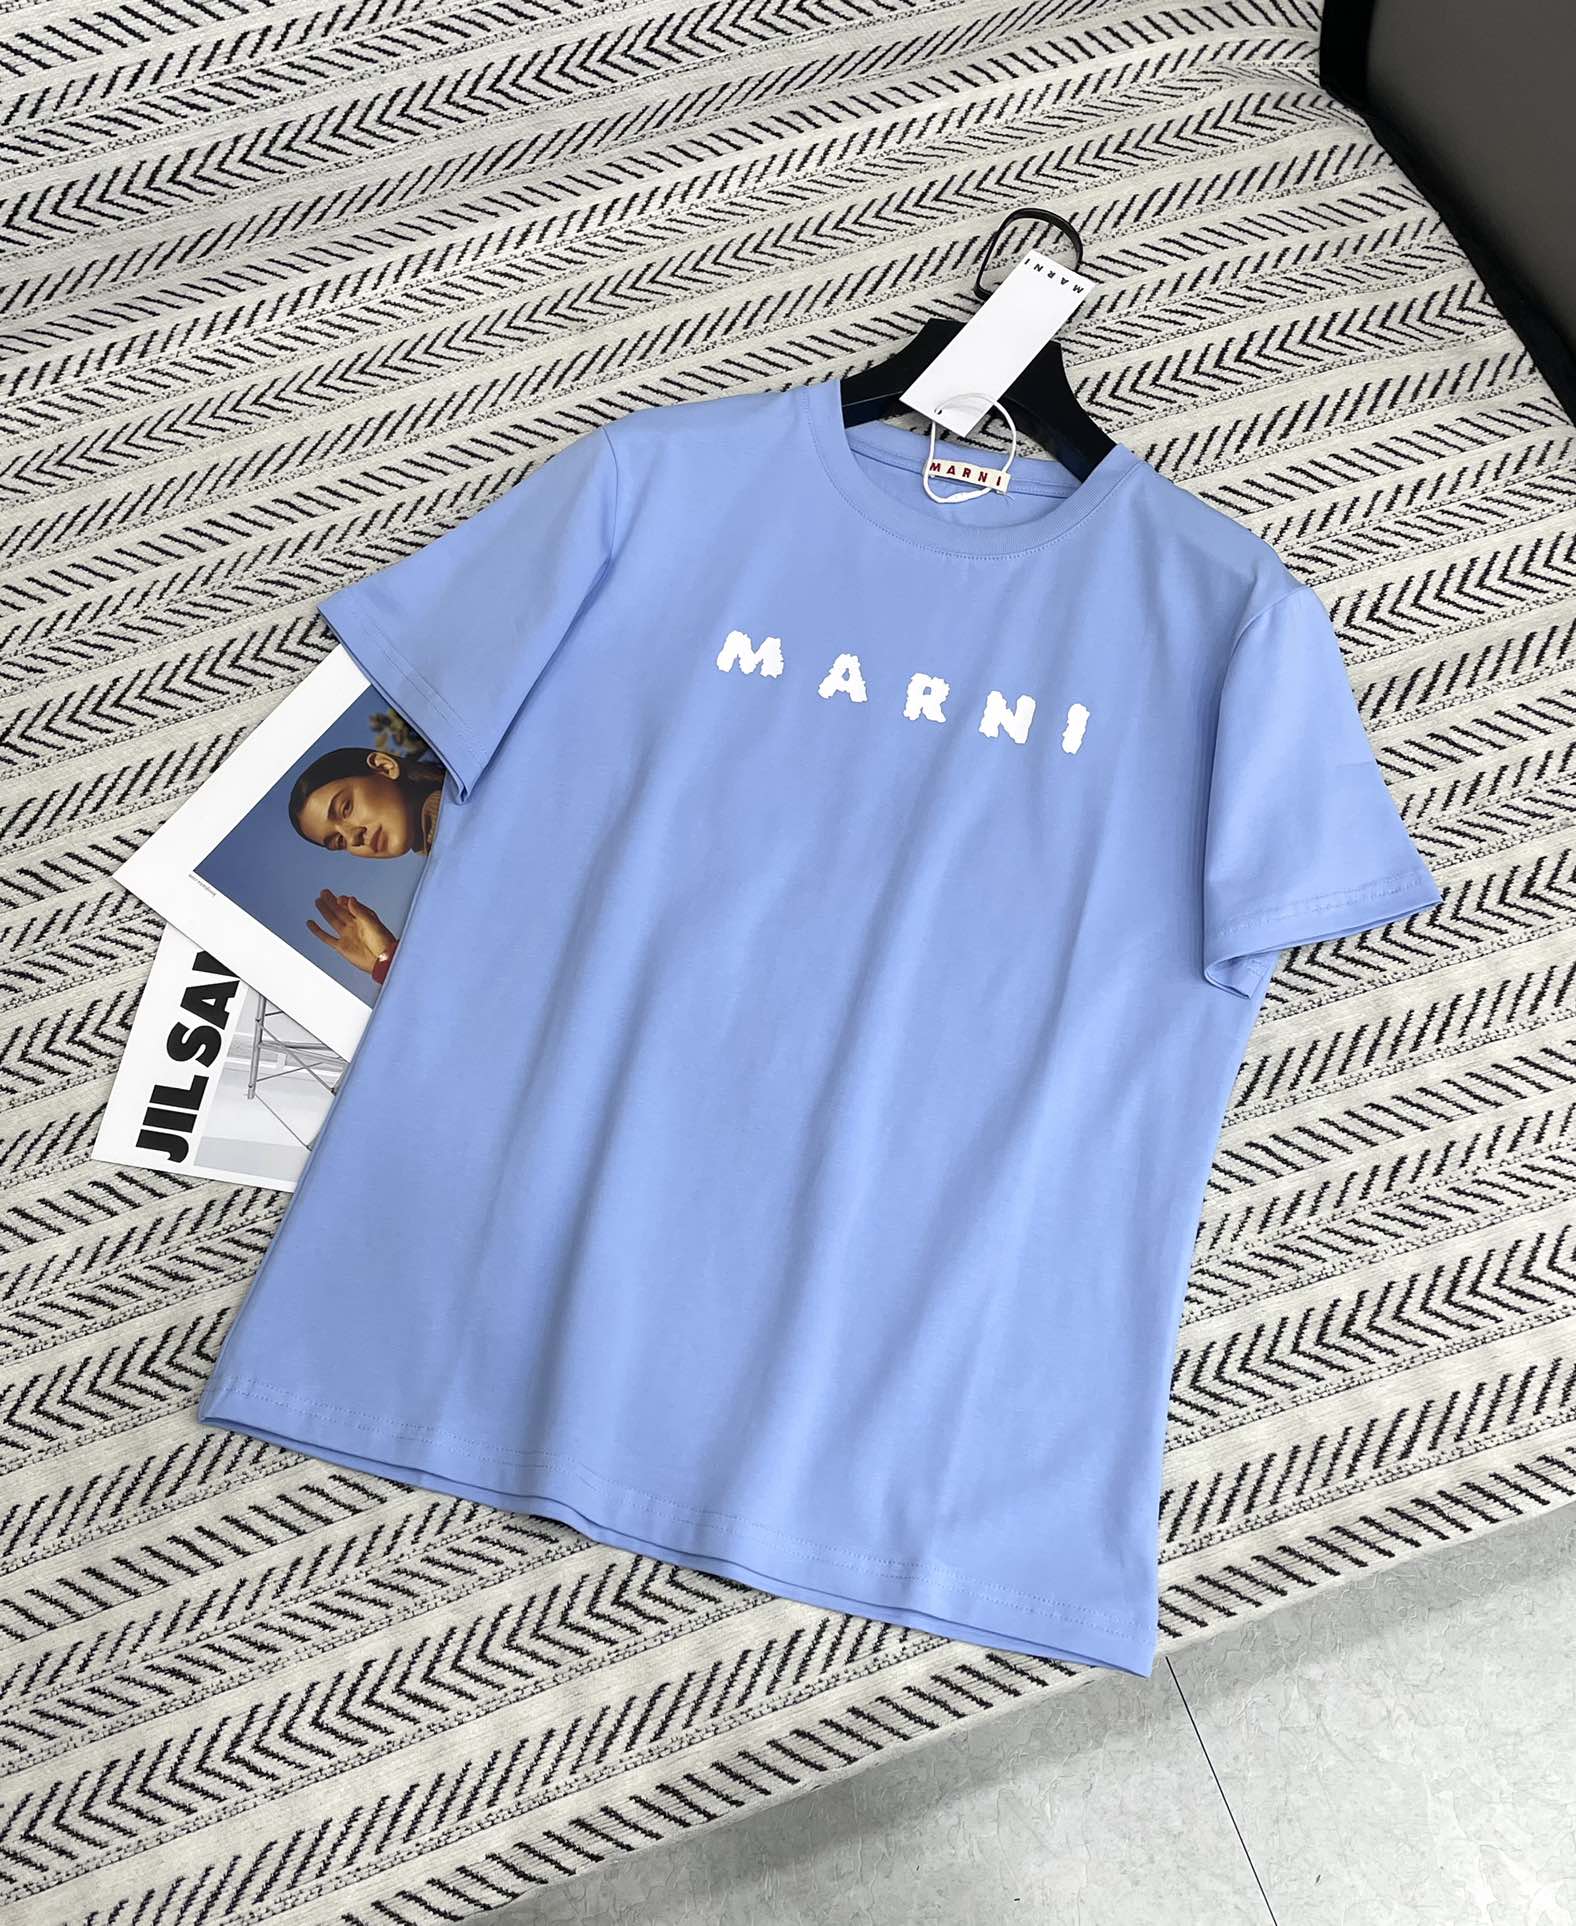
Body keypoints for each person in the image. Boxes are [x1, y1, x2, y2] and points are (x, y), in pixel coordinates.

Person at [286, 745, 444, 983]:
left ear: (384, 767)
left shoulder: (472, 823)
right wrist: (385, 959)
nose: (352, 837)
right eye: (339, 841)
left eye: (345, 808)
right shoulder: (444, 861)